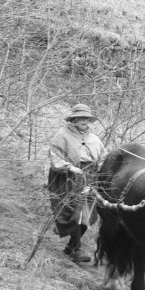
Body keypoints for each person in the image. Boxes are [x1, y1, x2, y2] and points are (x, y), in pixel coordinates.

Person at [48, 103, 106, 263]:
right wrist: (71, 168)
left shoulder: (94, 139)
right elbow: (56, 157)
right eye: (80, 118)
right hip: (68, 178)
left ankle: (71, 246)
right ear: (73, 120)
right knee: (74, 213)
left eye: (86, 118)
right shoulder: (62, 135)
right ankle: (77, 249)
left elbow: (102, 158)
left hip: (91, 178)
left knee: (88, 215)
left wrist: (101, 171)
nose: (84, 121)